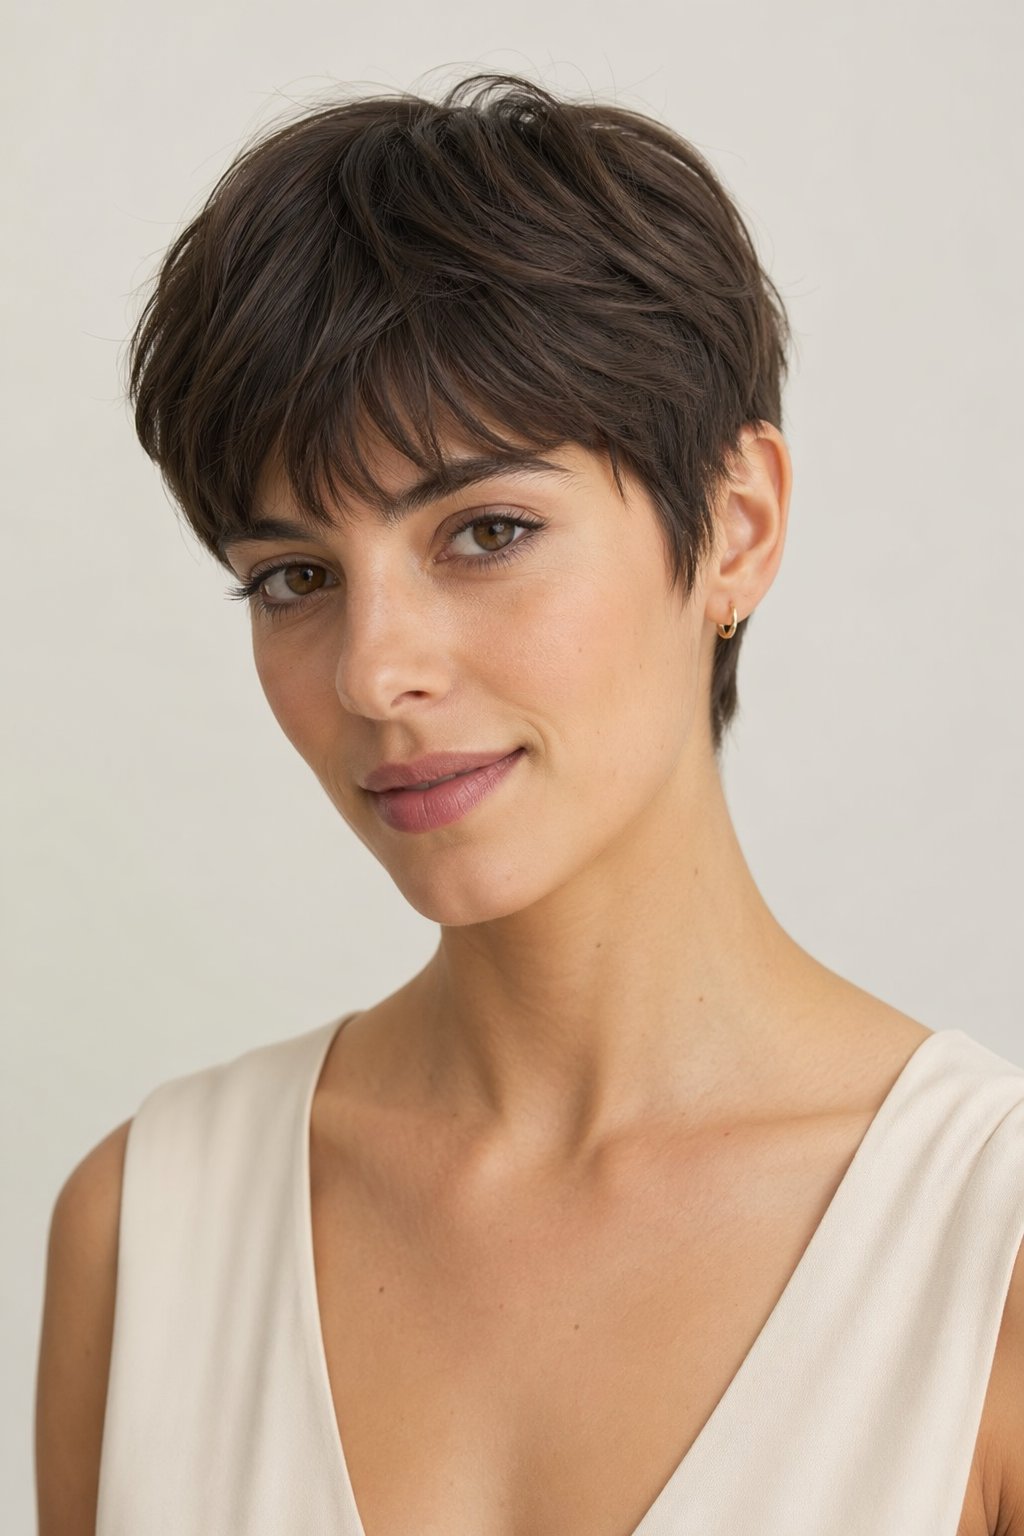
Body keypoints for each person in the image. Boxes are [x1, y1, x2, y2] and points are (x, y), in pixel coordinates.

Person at [34, 71, 1024, 1536]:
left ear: (737, 527)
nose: (375, 671)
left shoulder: (987, 1253)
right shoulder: (146, 1233)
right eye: (294, 577)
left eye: (486, 532)